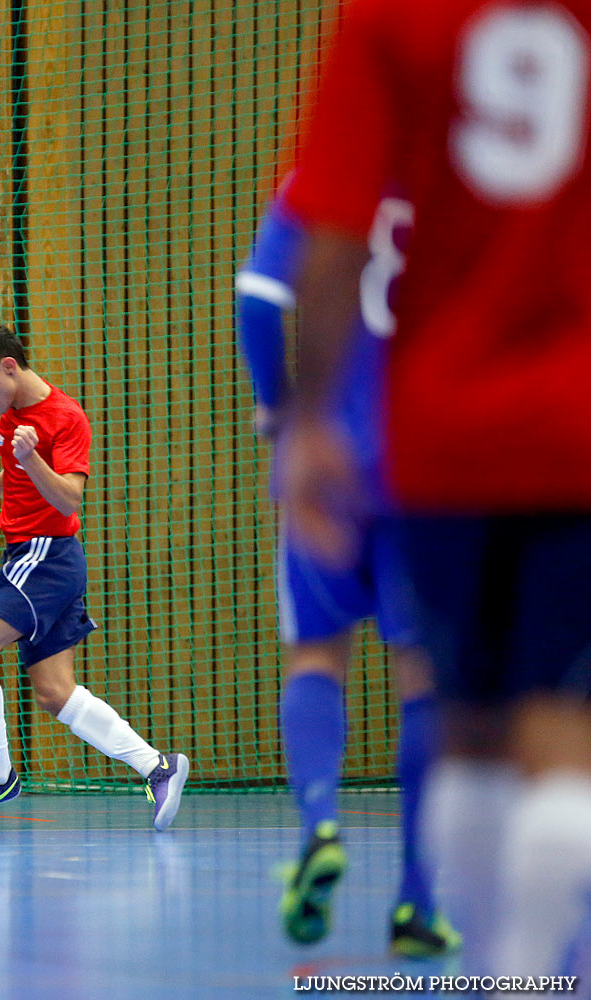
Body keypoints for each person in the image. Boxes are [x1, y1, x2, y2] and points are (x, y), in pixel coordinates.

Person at [283, 0, 591, 976]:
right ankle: (530, 971)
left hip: (437, 432)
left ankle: (494, 956)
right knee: (560, 722)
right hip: (577, 425)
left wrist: (307, 418)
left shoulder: (392, 17)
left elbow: (327, 238)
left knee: (472, 726)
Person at [237, 182, 459, 956]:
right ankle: (418, 902)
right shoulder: (455, 176)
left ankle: (321, 822)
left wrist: (278, 411)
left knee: (318, 654)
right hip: (427, 466)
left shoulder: (329, 171)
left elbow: (258, 297)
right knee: (423, 678)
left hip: (325, 455)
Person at [0, 322, 189, 829]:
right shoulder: (11, 412)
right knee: (55, 692)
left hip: (45, 558)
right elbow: (20, 461)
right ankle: (157, 767)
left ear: (9, 366)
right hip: (38, 558)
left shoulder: (65, 417)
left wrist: (29, 462)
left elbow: (69, 497)